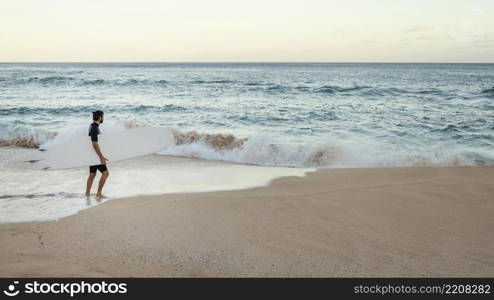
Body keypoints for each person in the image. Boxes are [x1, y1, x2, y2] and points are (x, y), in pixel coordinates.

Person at [85, 110, 109, 199]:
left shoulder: (92, 126)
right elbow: (94, 143)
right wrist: (101, 157)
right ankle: (98, 193)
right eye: (103, 116)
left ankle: (87, 193)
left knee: (92, 174)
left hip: (92, 154)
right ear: (100, 117)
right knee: (105, 173)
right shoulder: (94, 128)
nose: (103, 118)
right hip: (95, 155)